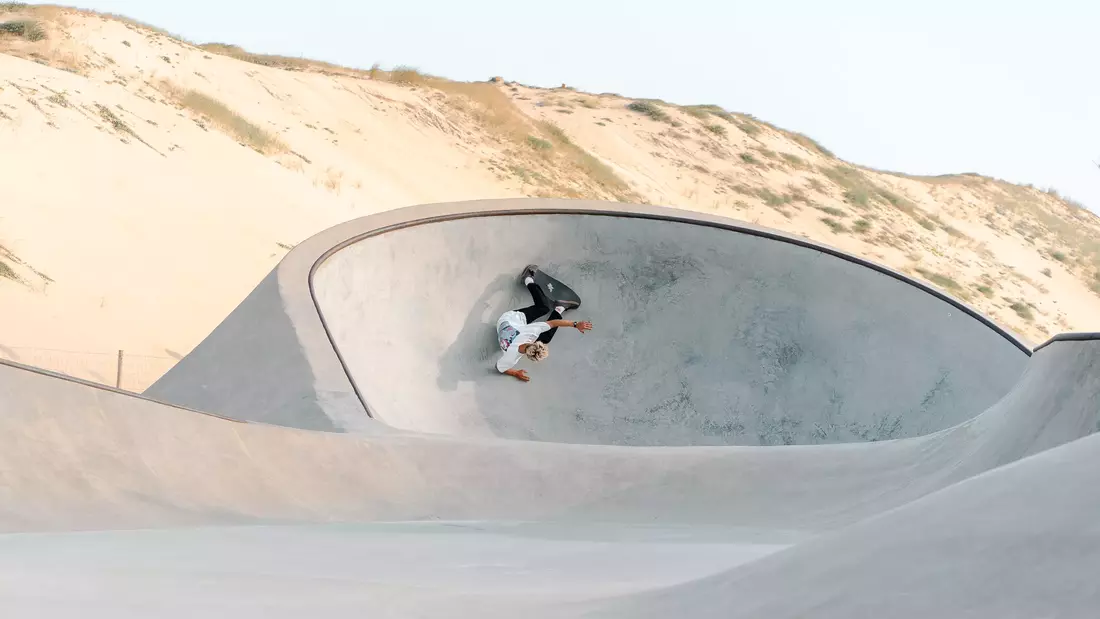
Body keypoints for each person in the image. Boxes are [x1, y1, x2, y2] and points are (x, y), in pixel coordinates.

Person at [496, 265, 593, 382]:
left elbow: (553, 323)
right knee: (545, 337)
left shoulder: (530, 332)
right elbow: (499, 367)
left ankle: (528, 278)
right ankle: (560, 307)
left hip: (510, 319)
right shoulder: (511, 357)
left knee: (544, 308)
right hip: (501, 325)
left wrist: (575, 324)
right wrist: (515, 372)